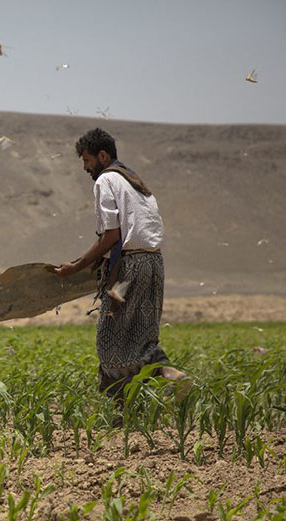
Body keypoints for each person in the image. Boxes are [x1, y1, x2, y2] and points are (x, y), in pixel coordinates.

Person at [48, 128, 186, 401]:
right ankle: (138, 405)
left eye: (87, 160)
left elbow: (111, 236)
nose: (86, 168)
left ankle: (139, 395)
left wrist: (75, 267)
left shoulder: (106, 181)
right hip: (154, 264)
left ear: (102, 155)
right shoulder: (135, 181)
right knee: (141, 336)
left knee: (110, 339)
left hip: (130, 266)